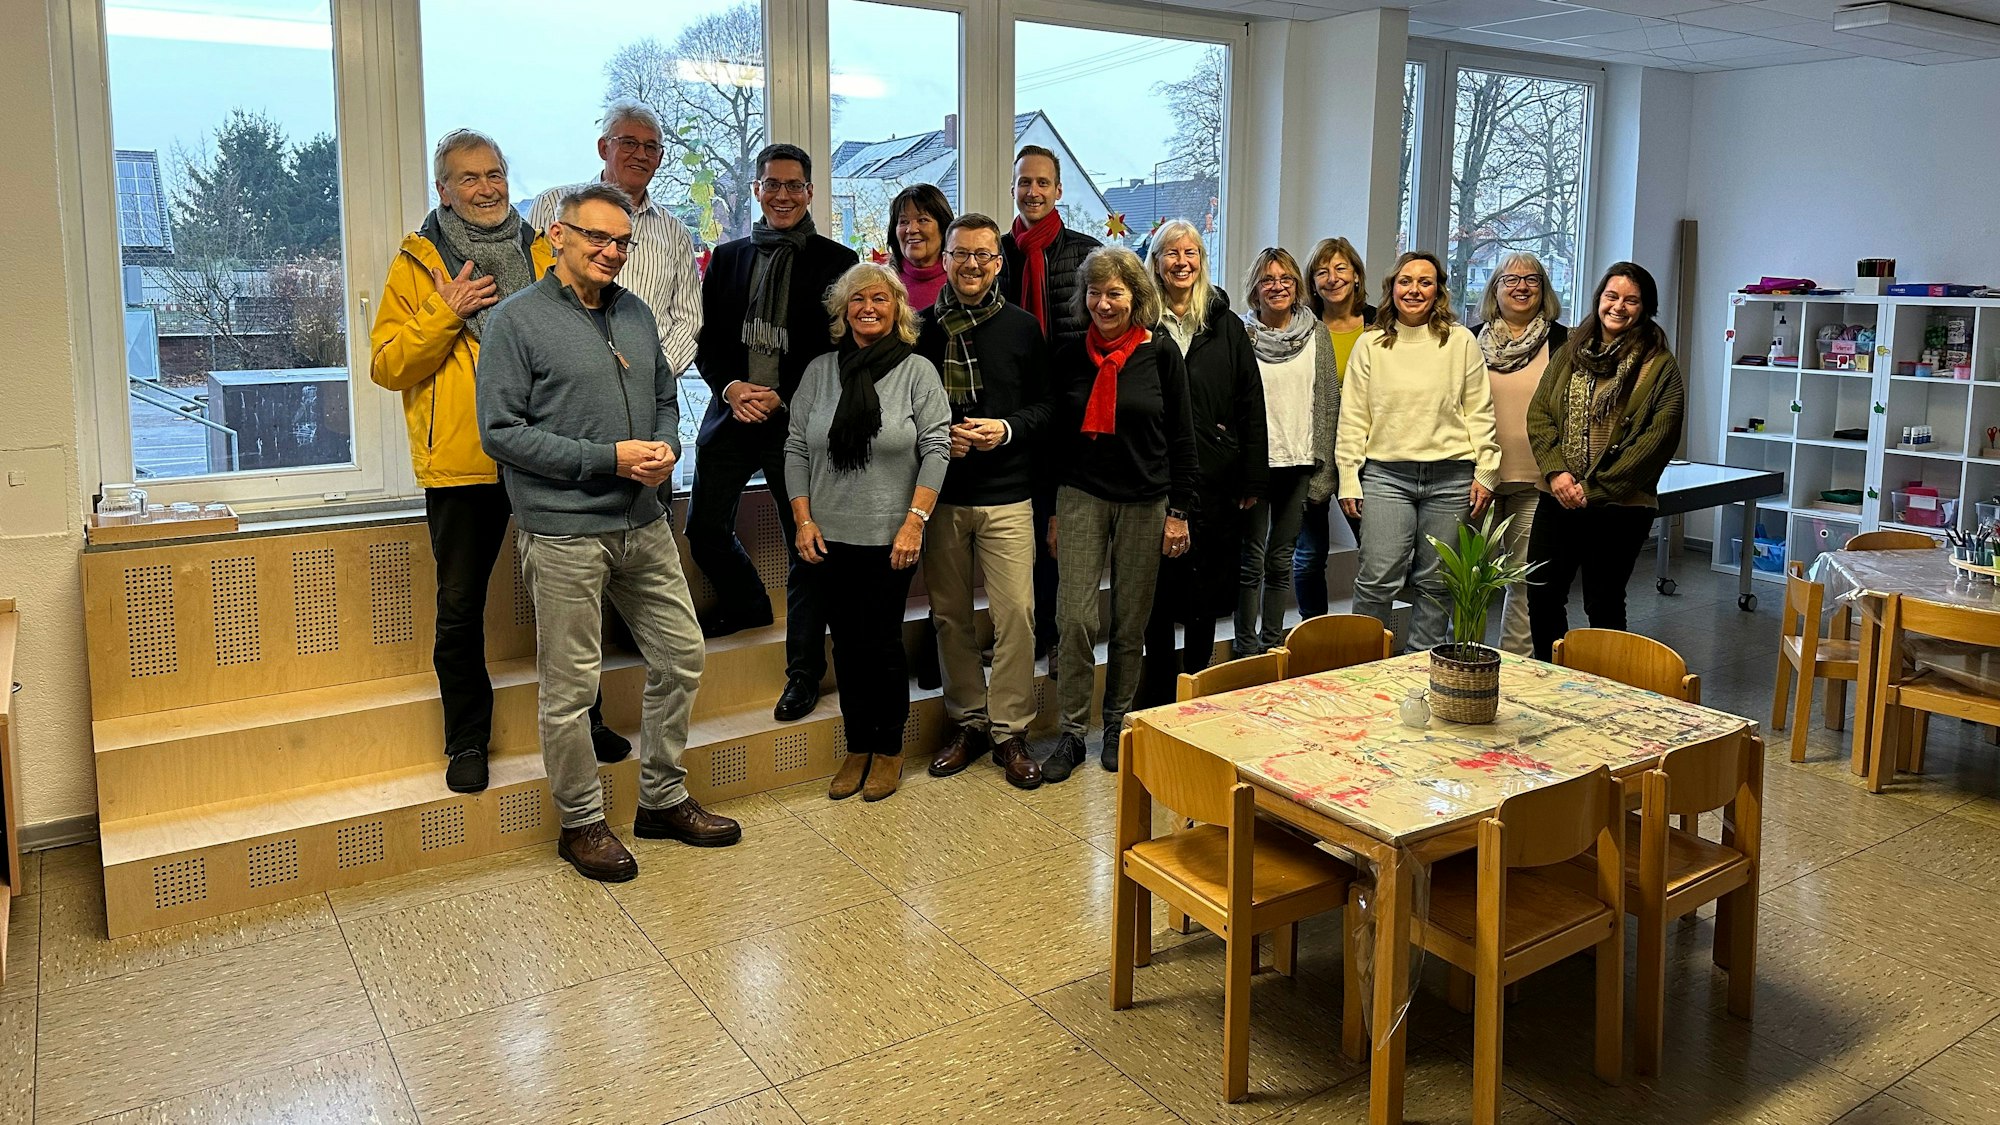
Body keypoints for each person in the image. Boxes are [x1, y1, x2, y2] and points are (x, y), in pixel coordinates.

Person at [477, 183, 741, 883]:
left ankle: (660, 798)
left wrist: (663, 446)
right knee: (570, 688)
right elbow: (500, 434)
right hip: (564, 532)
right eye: (597, 237)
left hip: (643, 522)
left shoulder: (634, 314)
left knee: (682, 654)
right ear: (557, 237)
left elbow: (661, 398)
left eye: (622, 241)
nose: (612, 252)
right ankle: (581, 821)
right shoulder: (516, 322)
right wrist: (608, 459)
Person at [370, 128, 622, 795]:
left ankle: (587, 720)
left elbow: (578, 334)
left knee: (572, 596)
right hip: (464, 463)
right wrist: (443, 311)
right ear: (443, 189)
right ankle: (466, 739)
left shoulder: (545, 248)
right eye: (469, 178)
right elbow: (388, 365)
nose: (486, 188)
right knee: (459, 606)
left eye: (495, 174)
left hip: (546, 452)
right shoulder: (417, 263)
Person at [691, 143, 859, 722]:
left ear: (810, 192)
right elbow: (709, 342)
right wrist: (732, 389)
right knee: (703, 525)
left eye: (794, 185)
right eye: (772, 184)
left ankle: (804, 672)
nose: (783, 194)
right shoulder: (730, 257)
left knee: (805, 546)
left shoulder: (839, 260)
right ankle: (747, 604)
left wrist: (786, 394)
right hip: (734, 412)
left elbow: (839, 348)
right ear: (757, 190)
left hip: (797, 422)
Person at [786, 263, 951, 802]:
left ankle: (889, 750)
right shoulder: (819, 371)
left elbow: (937, 447)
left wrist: (915, 521)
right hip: (827, 535)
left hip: (890, 536)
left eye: (880, 299)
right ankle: (857, 745)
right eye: (857, 300)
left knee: (880, 644)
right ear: (843, 311)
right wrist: (803, 519)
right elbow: (794, 448)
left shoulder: (917, 372)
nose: (868, 308)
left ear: (897, 308)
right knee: (847, 647)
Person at [1046, 246, 1198, 780]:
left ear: (1136, 297)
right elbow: (1056, 442)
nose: (1103, 304)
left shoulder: (1160, 355)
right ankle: (1070, 731)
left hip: (1146, 500)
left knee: (1132, 620)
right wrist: (1055, 513)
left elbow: (1183, 437)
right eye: (1095, 293)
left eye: (1114, 293)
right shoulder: (1068, 355)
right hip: (1081, 495)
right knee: (1076, 618)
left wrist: (1179, 511)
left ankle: (1115, 722)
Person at [915, 214, 1050, 789]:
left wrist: (1007, 429)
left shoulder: (1022, 329)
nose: (972, 264)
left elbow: (1047, 408)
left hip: (1007, 496)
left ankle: (1010, 730)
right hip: (941, 495)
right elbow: (904, 411)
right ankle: (968, 722)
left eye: (984, 256)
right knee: (948, 615)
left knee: (1016, 613)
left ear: (999, 263)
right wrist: (938, 434)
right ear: (943, 259)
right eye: (961, 253)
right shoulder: (919, 329)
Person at [1336, 251, 1499, 653]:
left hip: (1451, 477)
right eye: (1405, 281)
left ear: (1438, 290)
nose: (1414, 290)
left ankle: (1419, 669)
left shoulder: (1460, 342)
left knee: (1437, 584)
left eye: (1425, 282)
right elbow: (1353, 417)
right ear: (1392, 288)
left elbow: (1480, 411)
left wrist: (1487, 471)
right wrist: (1348, 478)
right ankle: (1363, 668)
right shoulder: (1371, 344)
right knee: (1377, 578)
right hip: (1387, 476)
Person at [1525, 262, 1686, 660]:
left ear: (1645, 308)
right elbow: (1540, 414)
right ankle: (1550, 676)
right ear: (1599, 299)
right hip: (1558, 495)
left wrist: (1593, 489)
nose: (1619, 306)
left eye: (1631, 300)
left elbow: (1657, 439)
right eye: (1611, 296)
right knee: (1542, 594)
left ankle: (1607, 690)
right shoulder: (1571, 352)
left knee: (1604, 602)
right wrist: (1557, 473)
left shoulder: (1660, 366)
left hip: (1621, 506)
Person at [1138, 220, 1265, 707]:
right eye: (1171, 252)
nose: (1181, 261)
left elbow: (1250, 403)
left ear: (1202, 261)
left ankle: (1197, 684)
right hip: (1154, 475)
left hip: (1215, 478)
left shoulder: (1226, 326)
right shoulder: (1142, 324)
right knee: (1155, 591)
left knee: (1204, 588)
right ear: (1156, 261)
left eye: (1191, 252)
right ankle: (1157, 688)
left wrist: (1252, 473)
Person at [529, 100, 703, 407]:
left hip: (646, 394)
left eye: (652, 147)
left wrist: (654, 373)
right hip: (562, 390)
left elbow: (688, 319)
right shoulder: (553, 205)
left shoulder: (675, 232)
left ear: (660, 158)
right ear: (603, 148)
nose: (641, 154)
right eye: (629, 143)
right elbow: (526, 293)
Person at [1001, 145, 1101, 656]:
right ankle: (1031, 636)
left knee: (1064, 532)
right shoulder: (996, 254)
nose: (1033, 191)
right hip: (1013, 416)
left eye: (1043, 183)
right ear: (1013, 188)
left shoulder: (1087, 253)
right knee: (1024, 530)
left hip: (1070, 413)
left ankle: (1062, 635)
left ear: (1059, 190)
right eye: (1024, 183)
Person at [1235, 247, 1335, 656]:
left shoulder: (1317, 334)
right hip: (1255, 467)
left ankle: (1273, 646)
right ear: (1255, 289)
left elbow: (1328, 403)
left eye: (1286, 280)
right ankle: (1245, 651)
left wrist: (1324, 472)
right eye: (1268, 280)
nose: (1277, 287)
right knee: (1250, 564)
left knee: (1281, 562)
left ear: (1297, 287)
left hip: (1299, 464)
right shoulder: (1240, 335)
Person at [1470, 252, 1569, 656]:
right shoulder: (1468, 339)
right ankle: (1462, 658)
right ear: (1495, 289)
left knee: (1523, 580)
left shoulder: (1564, 341)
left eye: (1532, 279)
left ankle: (1516, 667)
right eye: (1510, 279)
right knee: (1470, 578)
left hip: (1537, 479)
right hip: (1477, 479)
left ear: (1544, 290)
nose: (1521, 286)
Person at [1293, 237, 1375, 618]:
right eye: (1322, 272)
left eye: (1341, 269)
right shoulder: (1303, 330)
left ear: (1356, 276)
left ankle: (1366, 635)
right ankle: (1317, 635)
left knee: (1376, 555)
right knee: (1309, 556)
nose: (1332, 278)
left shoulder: (1380, 326)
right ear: (1312, 283)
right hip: (1314, 455)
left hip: (1368, 457)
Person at [888, 183, 953, 310]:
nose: (911, 229)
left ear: (944, 227)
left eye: (922, 220)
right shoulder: (883, 282)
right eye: (904, 222)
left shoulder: (961, 281)